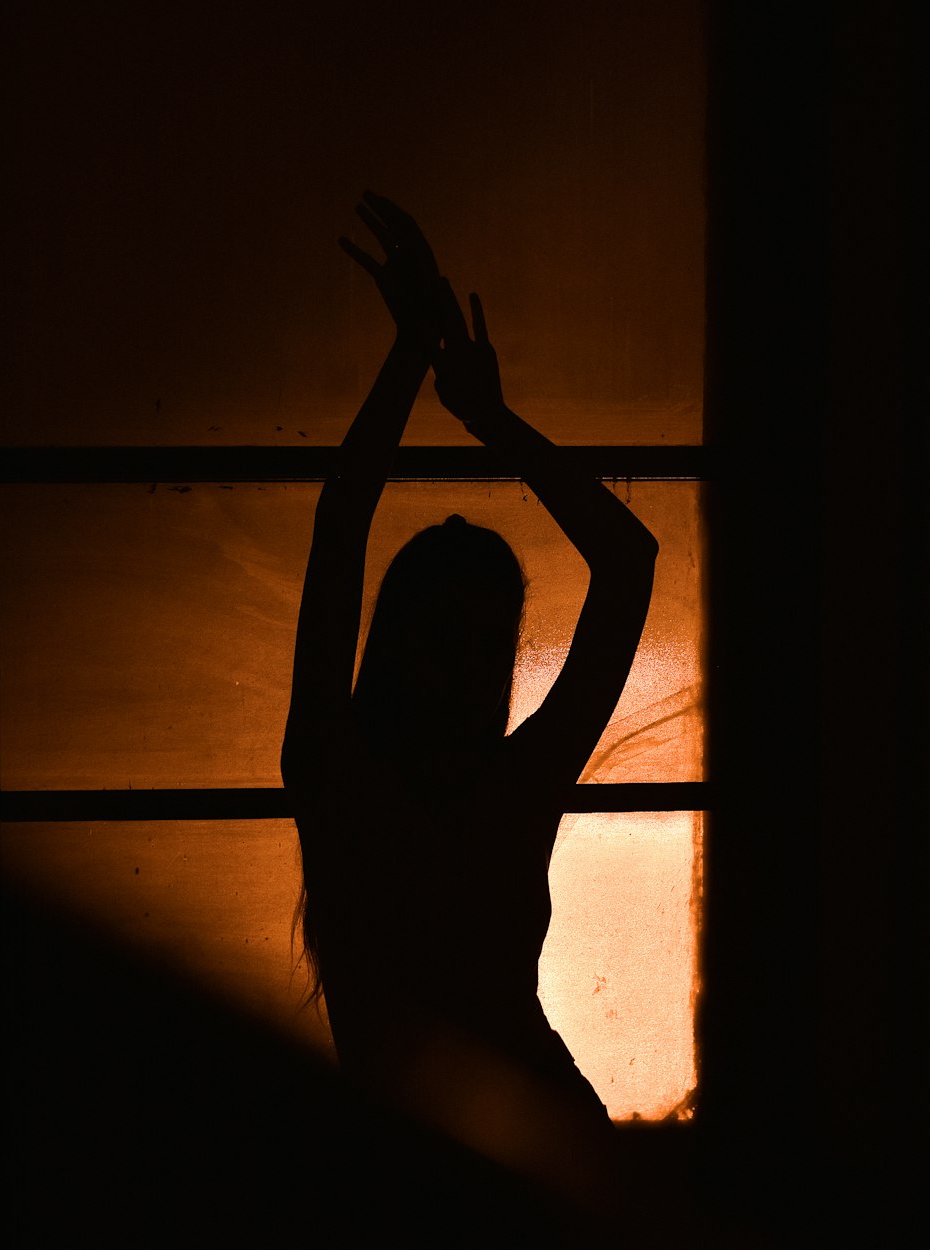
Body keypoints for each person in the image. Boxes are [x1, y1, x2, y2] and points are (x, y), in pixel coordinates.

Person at [281, 193, 659, 1213]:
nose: (472, 667)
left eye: (488, 643)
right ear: (401, 645)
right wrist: (443, 384)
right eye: (453, 637)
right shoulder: (357, 769)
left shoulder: (362, 772)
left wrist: (473, 404)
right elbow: (344, 517)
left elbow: (629, 563)